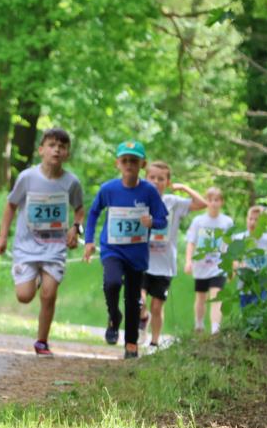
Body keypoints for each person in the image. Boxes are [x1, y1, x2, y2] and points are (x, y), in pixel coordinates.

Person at [0, 128, 84, 356]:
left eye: (62, 146)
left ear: (67, 154)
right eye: (52, 145)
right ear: (41, 150)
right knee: (24, 296)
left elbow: (80, 210)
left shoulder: (71, 182)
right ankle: (31, 279)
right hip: (26, 246)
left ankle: (42, 341)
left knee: (49, 294)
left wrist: (76, 228)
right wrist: (3, 236)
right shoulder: (27, 178)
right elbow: (11, 205)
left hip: (55, 248)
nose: (57, 149)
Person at [83, 140, 167, 359]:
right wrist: (89, 241)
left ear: (142, 164)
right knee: (111, 283)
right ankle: (113, 317)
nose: (129, 164)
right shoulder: (109, 189)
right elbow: (93, 213)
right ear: (117, 163)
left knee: (133, 299)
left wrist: (152, 222)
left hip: (137, 254)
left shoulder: (149, 191)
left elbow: (162, 219)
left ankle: (131, 343)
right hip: (112, 249)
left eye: (134, 161)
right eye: (125, 160)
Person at [139, 161, 206, 350]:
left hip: (165, 264)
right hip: (142, 261)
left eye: (161, 179)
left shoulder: (173, 203)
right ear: (146, 179)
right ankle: (142, 319)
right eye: (152, 177)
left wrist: (183, 188)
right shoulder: (139, 200)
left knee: (157, 307)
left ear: (168, 182)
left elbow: (202, 204)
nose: (156, 182)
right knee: (139, 300)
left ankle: (154, 342)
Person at [185, 187, 234, 334]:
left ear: (221, 202)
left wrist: (231, 265)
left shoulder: (227, 222)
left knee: (216, 295)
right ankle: (199, 325)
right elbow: (191, 242)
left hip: (218, 266)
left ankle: (215, 329)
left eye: (217, 200)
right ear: (206, 201)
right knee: (201, 297)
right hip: (201, 266)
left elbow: (230, 245)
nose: (213, 203)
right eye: (210, 200)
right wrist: (188, 261)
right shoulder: (198, 221)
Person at [232, 205, 267, 308]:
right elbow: (233, 261)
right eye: (250, 219)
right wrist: (241, 265)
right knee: (246, 316)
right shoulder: (239, 238)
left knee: (262, 314)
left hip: (263, 286)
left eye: (256, 220)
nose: (252, 222)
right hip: (245, 286)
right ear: (246, 219)